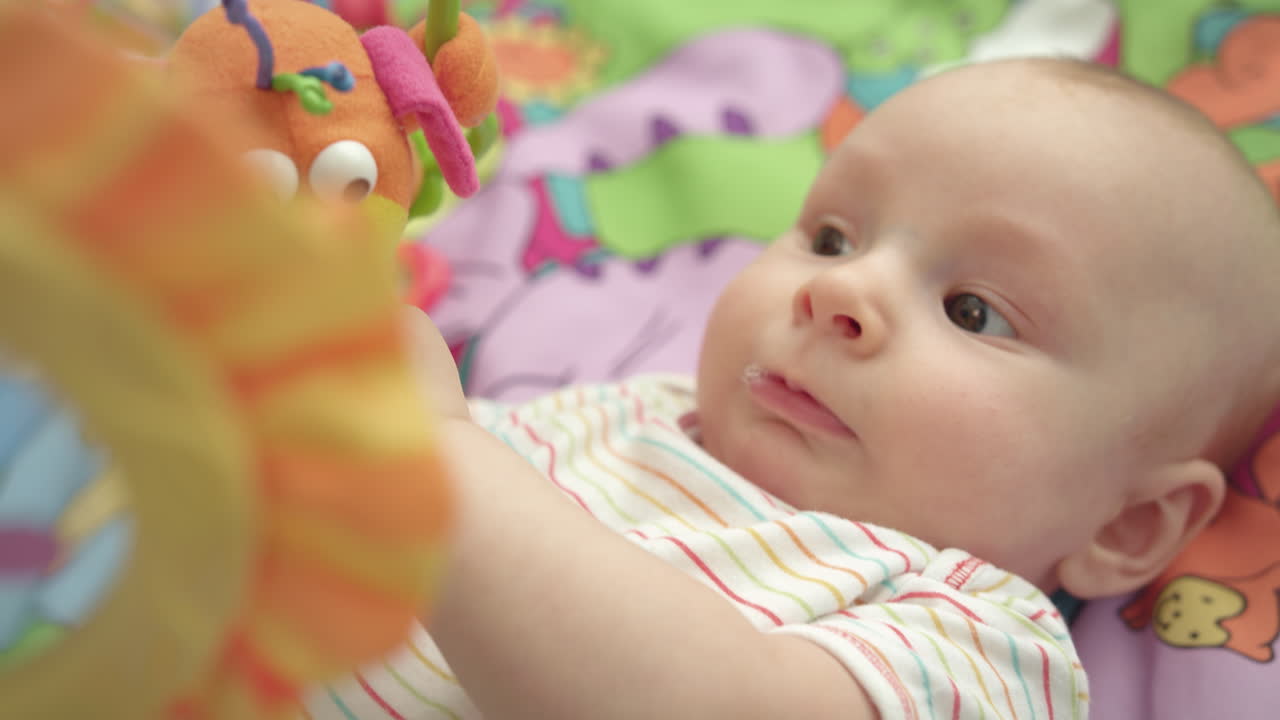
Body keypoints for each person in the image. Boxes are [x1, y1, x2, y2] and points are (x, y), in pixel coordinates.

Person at [305, 57, 1280, 720]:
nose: (838, 291)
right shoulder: (618, 415)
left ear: (1128, 526)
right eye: (830, 237)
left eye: (973, 310)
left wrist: (433, 447)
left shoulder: (969, 640)